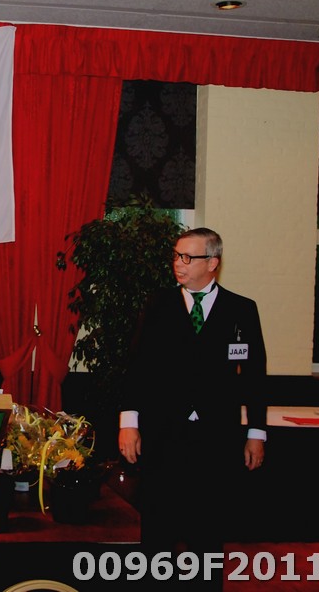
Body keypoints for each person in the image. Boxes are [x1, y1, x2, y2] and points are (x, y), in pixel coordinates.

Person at [118, 227, 267, 589]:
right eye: (176, 256)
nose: (178, 264)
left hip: (215, 437)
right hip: (163, 434)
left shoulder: (241, 310)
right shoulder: (158, 305)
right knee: (158, 529)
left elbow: (254, 377)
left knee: (208, 531)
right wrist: (129, 423)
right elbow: (137, 367)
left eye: (188, 257)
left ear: (212, 262)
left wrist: (256, 433)